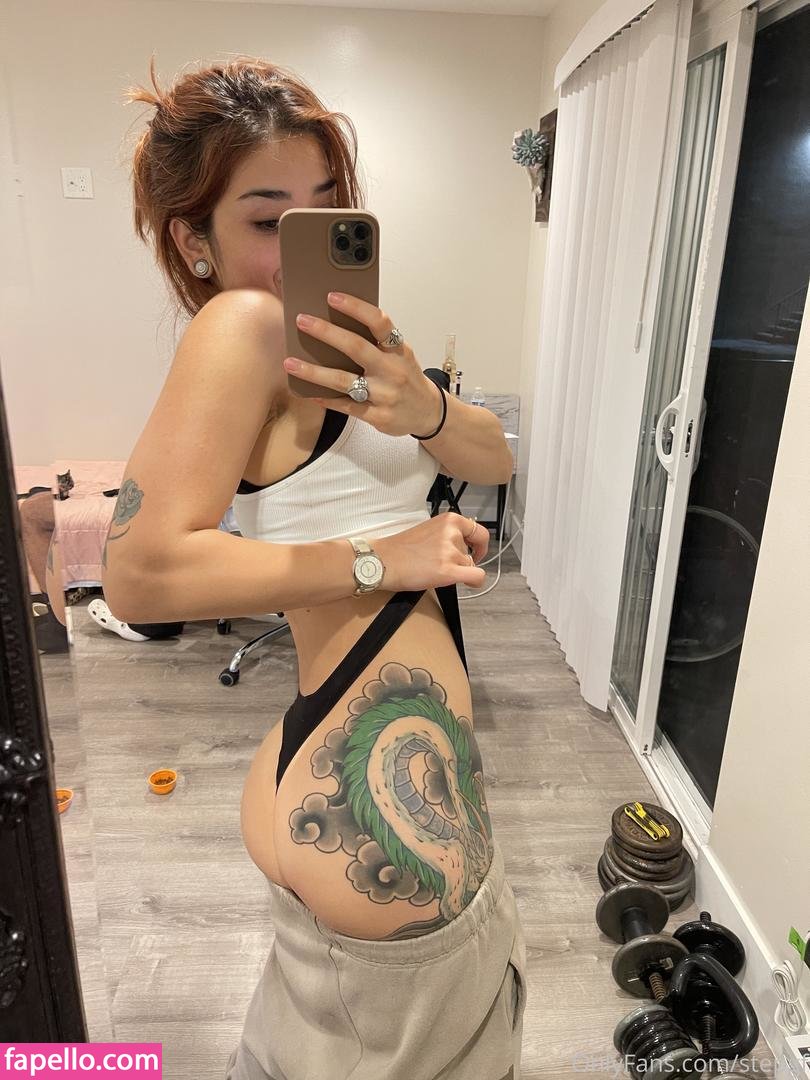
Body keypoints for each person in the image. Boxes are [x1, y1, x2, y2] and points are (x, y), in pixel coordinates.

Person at [105, 56, 527, 1080]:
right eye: (268, 219)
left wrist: (421, 407)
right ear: (193, 241)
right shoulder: (242, 325)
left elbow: (495, 460)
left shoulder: (347, 341)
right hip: (369, 789)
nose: (304, 237)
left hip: (350, 744)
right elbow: (139, 576)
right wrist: (388, 555)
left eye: (328, 205)